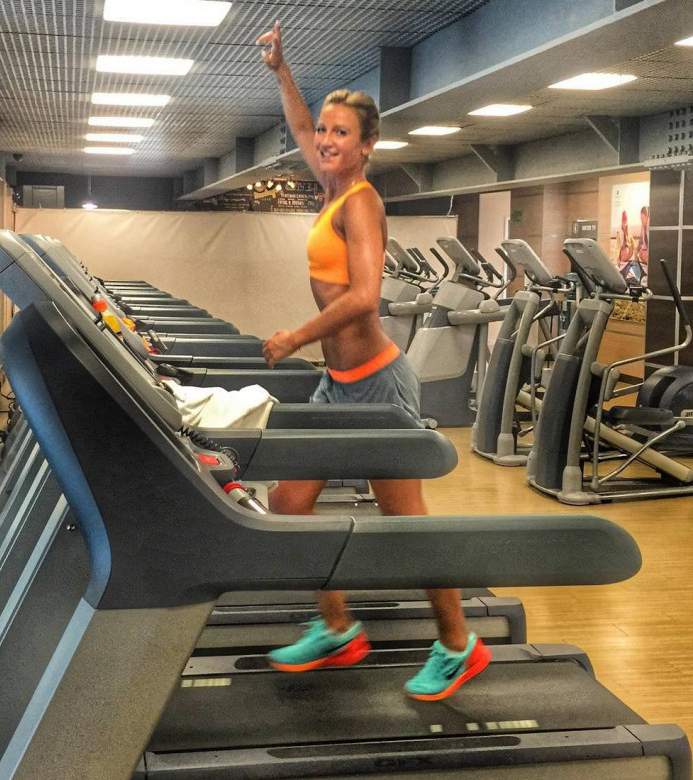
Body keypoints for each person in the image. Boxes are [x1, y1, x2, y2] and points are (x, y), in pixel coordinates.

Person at [256, 21, 490, 701]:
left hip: (380, 388)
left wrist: (296, 337)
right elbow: (300, 127)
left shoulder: (361, 205)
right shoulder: (330, 186)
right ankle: (338, 628)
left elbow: (364, 297)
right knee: (287, 503)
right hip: (339, 384)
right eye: (325, 131)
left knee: (406, 526)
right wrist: (282, 72)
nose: (326, 140)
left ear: (367, 146)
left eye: (341, 133)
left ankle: (459, 645)